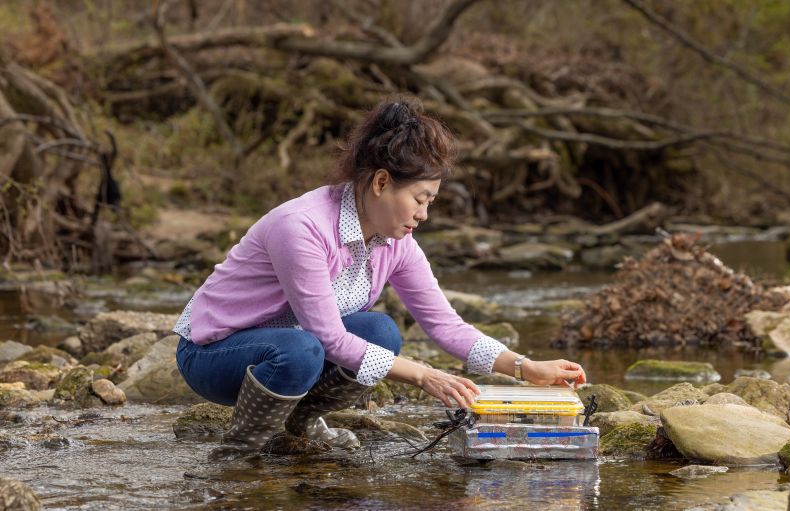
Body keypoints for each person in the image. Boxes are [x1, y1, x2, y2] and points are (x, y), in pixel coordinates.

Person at [173, 97, 587, 458]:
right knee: (301, 349)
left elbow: (445, 325)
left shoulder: (396, 242)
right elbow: (330, 337)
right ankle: (241, 448)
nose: (424, 214)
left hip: (293, 347)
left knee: (380, 331)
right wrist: (423, 374)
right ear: (382, 182)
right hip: (213, 352)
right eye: (420, 199)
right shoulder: (301, 227)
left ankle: (298, 423)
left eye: (431, 202)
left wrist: (524, 367)